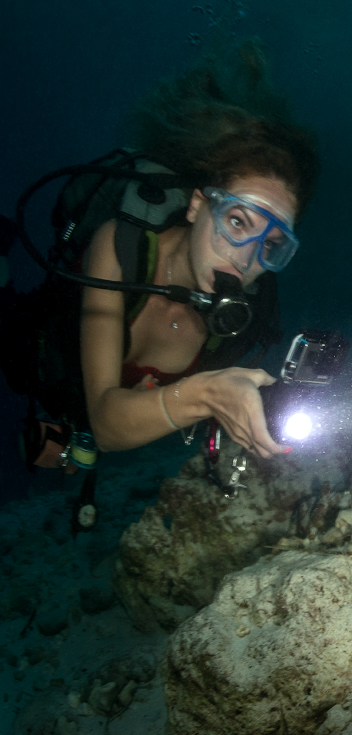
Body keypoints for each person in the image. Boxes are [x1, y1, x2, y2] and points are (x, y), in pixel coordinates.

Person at [78, 41, 319, 460]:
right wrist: (207, 396)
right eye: (238, 222)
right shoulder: (123, 248)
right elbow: (106, 425)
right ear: (196, 204)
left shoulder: (248, 315)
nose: (243, 260)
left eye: (272, 245)